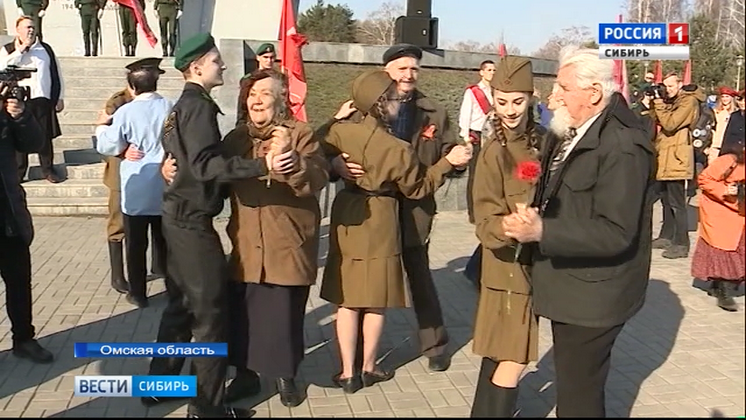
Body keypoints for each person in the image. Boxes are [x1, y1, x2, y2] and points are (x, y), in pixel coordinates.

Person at [502, 46, 656, 417]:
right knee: (577, 385)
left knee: (577, 396)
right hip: (571, 285)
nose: (553, 96)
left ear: (594, 94)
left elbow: (616, 232)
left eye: (564, 88)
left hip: (594, 294)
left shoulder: (623, 146)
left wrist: (543, 231)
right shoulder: (569, 129)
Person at [143, 33, 289, 418]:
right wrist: (262, 166)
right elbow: (205, 166)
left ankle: (158, 388)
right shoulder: (199, 107)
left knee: (181, 305)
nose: (222, 65)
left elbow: (182, 156)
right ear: (196, 67)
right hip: (191, 222)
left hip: (177, 217)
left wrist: (171, 166)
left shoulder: (182, 107)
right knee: (210, 316)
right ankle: (207, 409)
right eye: (216, 61)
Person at [319, 70, 472, 393]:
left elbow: (313, 145)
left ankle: (346, 372)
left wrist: (335, 135)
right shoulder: (397, 149)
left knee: (346, 298)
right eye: (391, 97)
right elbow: (419, 187)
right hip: (382, 217)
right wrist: (447, 162)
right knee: (375, 299)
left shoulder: (340, 132)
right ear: (381, 104)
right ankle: (369, 367)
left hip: (347, 212)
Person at [212, 69, 327, 407]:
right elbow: (214, 176)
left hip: (287, 241)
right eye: (252, 94)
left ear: (280, 99)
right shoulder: (235, 139)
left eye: (265, 92)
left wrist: (294, 164)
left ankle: (286, 377)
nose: (257, 99)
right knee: (243, 315)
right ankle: (246, 377)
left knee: (283, 315)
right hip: (247, 242)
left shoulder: (301, 133)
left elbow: (317, 177)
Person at [469, 56, 545, 418]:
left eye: (517, 101)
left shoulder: (545, 143)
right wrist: (509, 226)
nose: (510, 110)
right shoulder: (492, 154)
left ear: (532, 97)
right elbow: (483, 222)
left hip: (538, 266)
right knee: (513, 359)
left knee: (498, 355)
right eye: (501, 102)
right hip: (507, 271)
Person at [95, 58, 172, 309]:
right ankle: (172, 287)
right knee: (165, 240)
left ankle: (138, 293)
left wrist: (100, 127)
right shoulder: (170, 106)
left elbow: (109, 144)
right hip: (164, 183)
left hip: (136, 187)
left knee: (136, 245)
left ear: (133, 86)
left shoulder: (125, 112)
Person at [0, 81, 54, 365]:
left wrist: (20, 115)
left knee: (20, 282)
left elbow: (34, 143)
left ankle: (24, 338)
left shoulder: (7, 112)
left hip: (8, 213)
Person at [0, 16, 65, 184]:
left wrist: (59, 97)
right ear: (18, 30)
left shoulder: (45, 49)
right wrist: (21, 50)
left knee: (44, 136)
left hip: (42, 100)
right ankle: (20, 172)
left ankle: (48, 169)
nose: (30, 30)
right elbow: (3, 68)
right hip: (18, 102)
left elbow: (56, 74)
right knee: (19, 137)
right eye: (27, 27)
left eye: (32, 27)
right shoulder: (7, 49)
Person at [649, 72, 702, 259]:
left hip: (677, 157)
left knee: (677, 202)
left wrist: (660, 104)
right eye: (665, 86)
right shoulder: (669, 101)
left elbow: (670, 124)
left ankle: (681, 243)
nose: (668, 89)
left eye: (671, 86)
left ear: (680, 84)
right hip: (665, 155)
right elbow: (656, 118)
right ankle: (666, 235)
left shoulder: (688, 101)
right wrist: (653, 100)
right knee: (665, 199)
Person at [691, 139, 745, 312]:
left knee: (738, 247)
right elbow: (704, 179)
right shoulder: (729, 160)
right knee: (724, 247)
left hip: (740, 211)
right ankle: (724, 289)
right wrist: (725, 190)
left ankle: (720, 283)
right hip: (719, 210)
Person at [458, 59, 495, 224]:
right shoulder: (473, 92)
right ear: (481, 72)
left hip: (493, 135)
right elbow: (465, 115)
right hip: (477, 135)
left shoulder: (497, 91)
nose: (492, 73)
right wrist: (466, 138)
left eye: (494, 70)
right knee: (475, 174)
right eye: (488, 70)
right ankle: (473, 212)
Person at [708, 87, 739, 163]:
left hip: (729, 146)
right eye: (723, 96)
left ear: (731, 98)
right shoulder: (714, 111)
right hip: (715, 144)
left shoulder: (736, 113)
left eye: (727, 96)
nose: (725, 99)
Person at [718, 90, 744, 157]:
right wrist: (722, 155)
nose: (742, 103)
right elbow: (727, 136)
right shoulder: (734, 115)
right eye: (740, 100)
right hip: (733, 153)